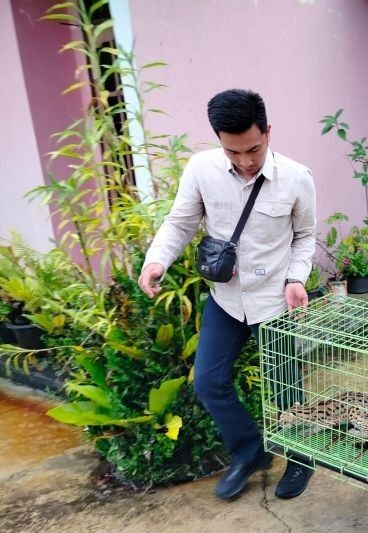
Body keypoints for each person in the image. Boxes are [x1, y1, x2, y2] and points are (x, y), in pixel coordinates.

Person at [138, 89, 316, 501]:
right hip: (226, 299)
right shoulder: (202, 169)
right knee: (209, 382)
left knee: (285, 387)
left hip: (276, 300)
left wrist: (296, 278)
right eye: (233, 152)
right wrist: (156, 261)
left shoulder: (296, 177)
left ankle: (300, 457)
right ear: (219, 140)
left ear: (268, 132)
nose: (246, 161)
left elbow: (305, 236)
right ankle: (249, 452)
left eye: (253, 149)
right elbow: (179, 223)